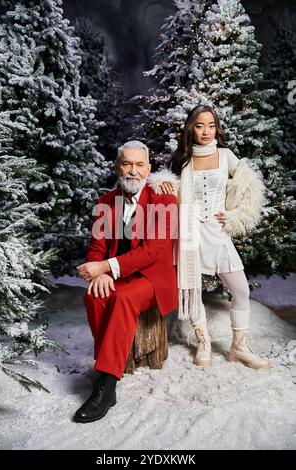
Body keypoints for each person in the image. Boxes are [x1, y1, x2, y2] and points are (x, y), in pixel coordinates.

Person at [148, 104, 270, 370]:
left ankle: (239, 348)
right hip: (190, 231)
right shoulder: (183, 159)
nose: (206, 131)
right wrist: (163, 183)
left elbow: (248, 186)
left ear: (217, 128)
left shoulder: (225, 155)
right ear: (191, 128)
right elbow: (172, 193)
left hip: (217, 231)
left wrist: (234, 215)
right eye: (200, 125)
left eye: (211, 125)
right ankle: (203, 342)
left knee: (240, 289)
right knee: (193, 291)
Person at [75, 140, 178, 423]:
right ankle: (108, 366)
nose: (133, 171)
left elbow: (154, 251)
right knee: (95, 297)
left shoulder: (164, 200)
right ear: (117, 166)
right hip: (117, 274)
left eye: (139, 164)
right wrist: (101, 273)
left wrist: (107, 267)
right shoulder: (105, 202)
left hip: (151, 276)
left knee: (123, 298)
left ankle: (106, 385)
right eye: (127, 164)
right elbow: (97, 247)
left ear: (148, 169)